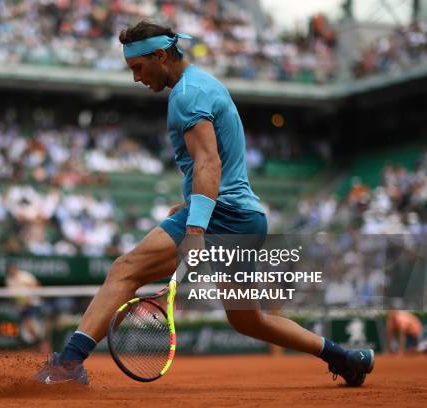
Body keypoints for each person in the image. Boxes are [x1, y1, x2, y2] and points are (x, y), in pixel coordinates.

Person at [35, 20, 374, 386]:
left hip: (222, 217)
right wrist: (191, 207)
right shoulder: (201, 84)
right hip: (245, 217)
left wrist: (196, 227)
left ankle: (68, 364)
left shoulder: (187, 94)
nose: (136, 78)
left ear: (160, 56)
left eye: (137, 68)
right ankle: (346, 358)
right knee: (248, 320)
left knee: (125, 270)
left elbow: (208, 162)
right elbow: (217, 164)